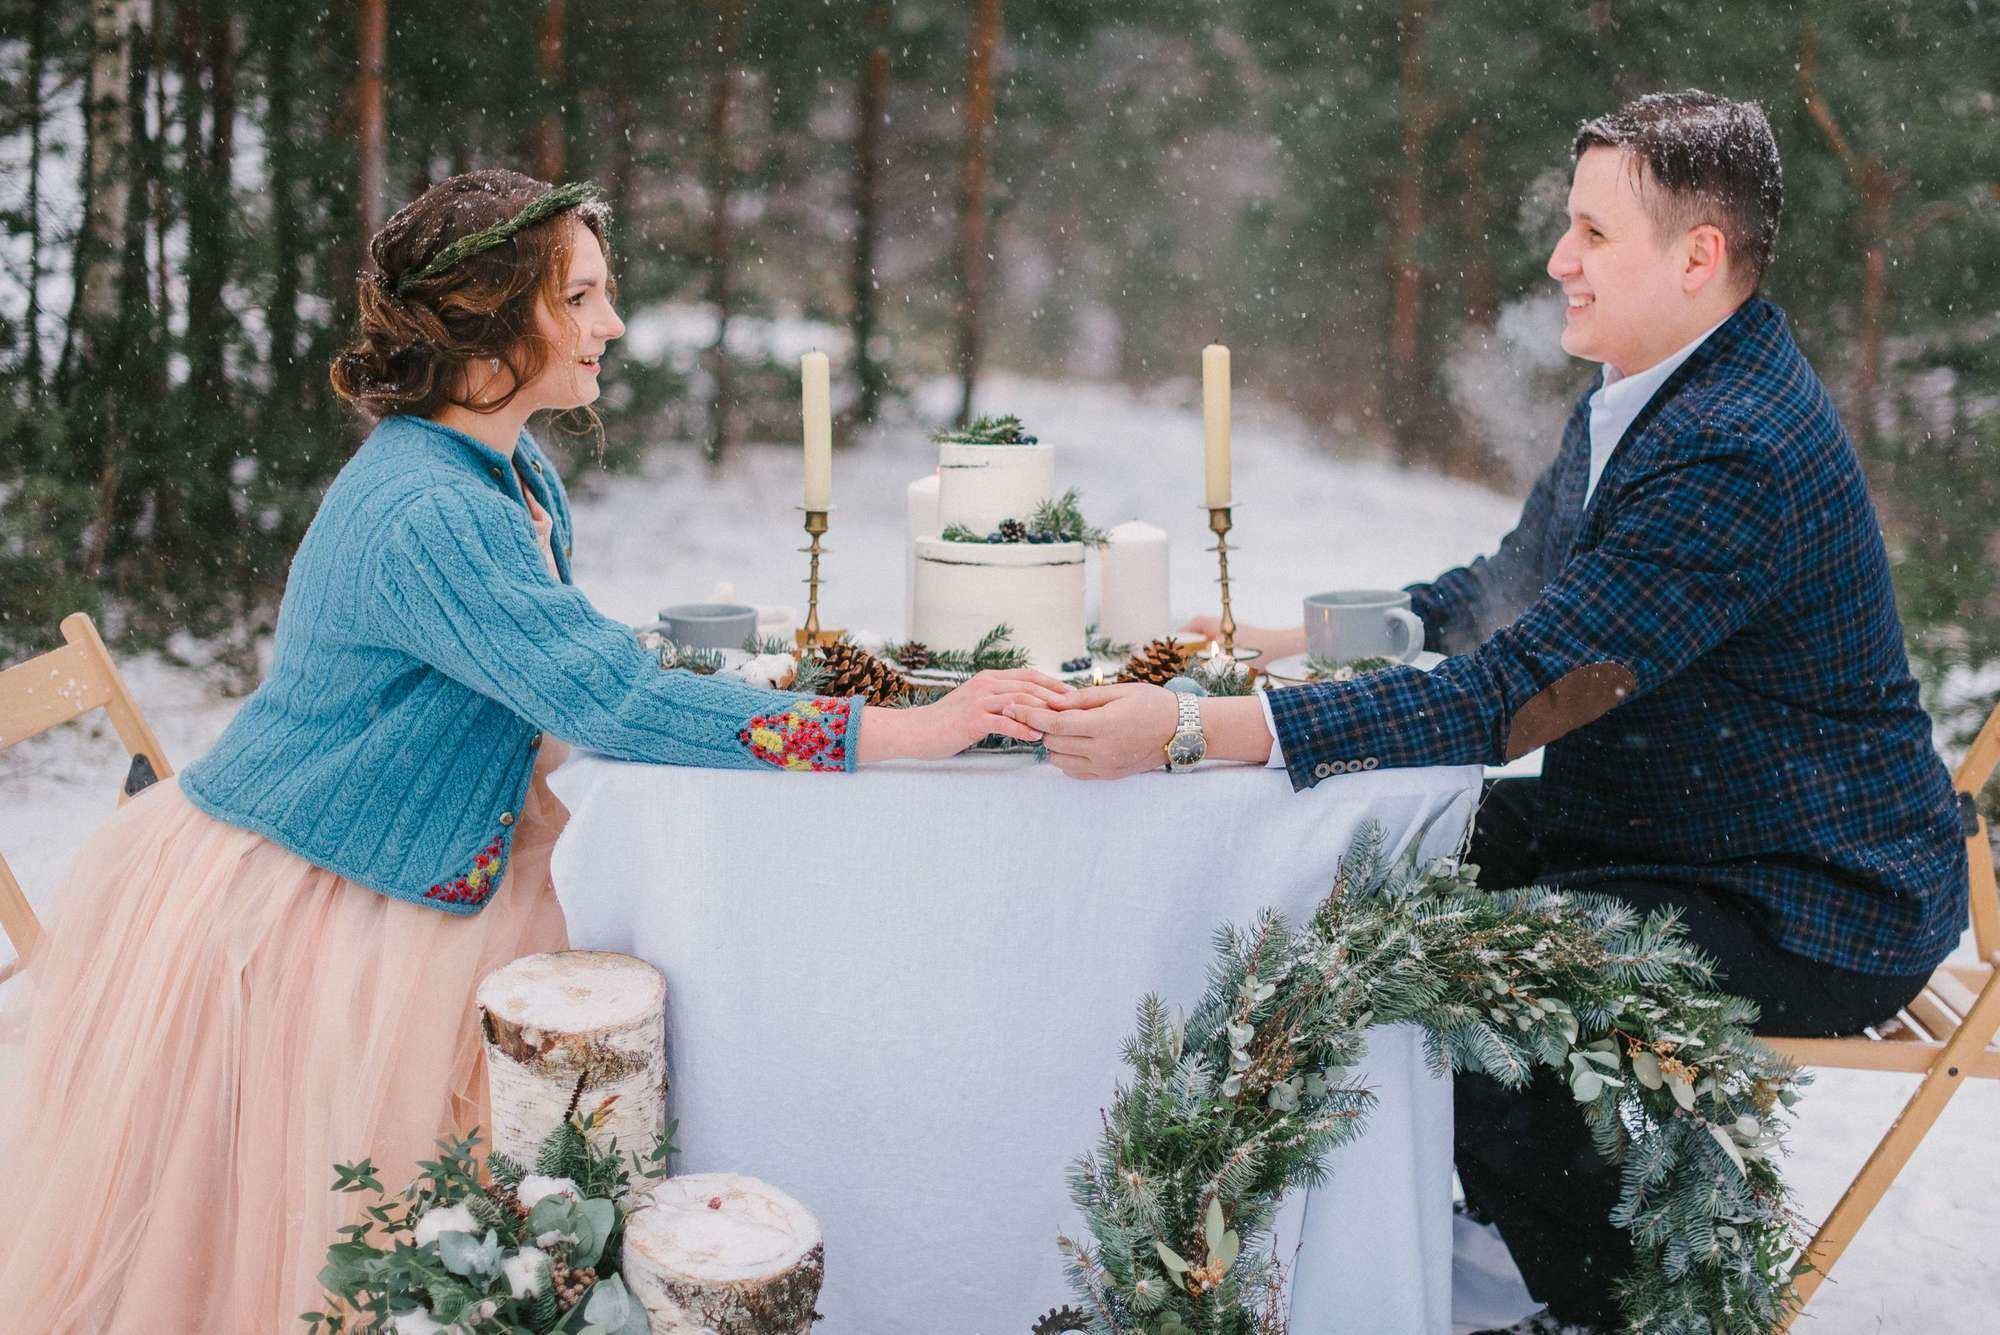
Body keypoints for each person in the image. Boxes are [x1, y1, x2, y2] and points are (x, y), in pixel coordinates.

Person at [0, 169, 1067, 1333]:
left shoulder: (501, 466)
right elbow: (603, 697)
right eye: (585, 298)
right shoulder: (430, 510)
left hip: (409, 822)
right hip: (321, 876)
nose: (611, 326)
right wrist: (905, 729)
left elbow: (556, 659)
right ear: (494, 321)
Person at [1006, 93, 1967, 1331]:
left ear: (1696, 255)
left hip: (1812, 893)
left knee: (1469, 1007)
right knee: (1355, 864)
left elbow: (1520, 695)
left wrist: (1198, 731)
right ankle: (1437, 1238)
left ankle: (1594, 1300)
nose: (1558, 261)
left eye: (1591, 234)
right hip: (1675, 826)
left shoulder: (1733, 448)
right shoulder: (1647, 385)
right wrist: (1277, 641)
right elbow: (1506, 596)